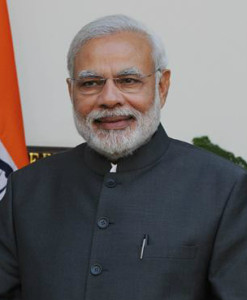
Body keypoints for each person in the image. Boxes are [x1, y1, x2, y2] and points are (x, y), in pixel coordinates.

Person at [0, 14, 247, 300]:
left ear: (162, 86)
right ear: (71, 91)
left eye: (128, 80)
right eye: (90, 83)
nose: (109, 98)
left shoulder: (224, 189)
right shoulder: (26, 189)